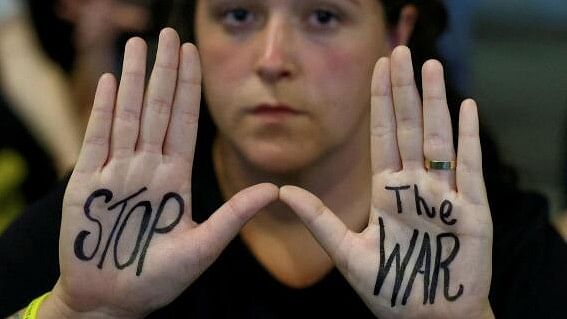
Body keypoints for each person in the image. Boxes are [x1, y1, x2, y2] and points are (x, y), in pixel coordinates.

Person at [1, 0, 566, 318]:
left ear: (398, 29)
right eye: (238, 15)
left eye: (322, 17)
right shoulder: (108, 225)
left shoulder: (490, 246)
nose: (273, 60)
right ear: (191, 27)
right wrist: (80, 315)